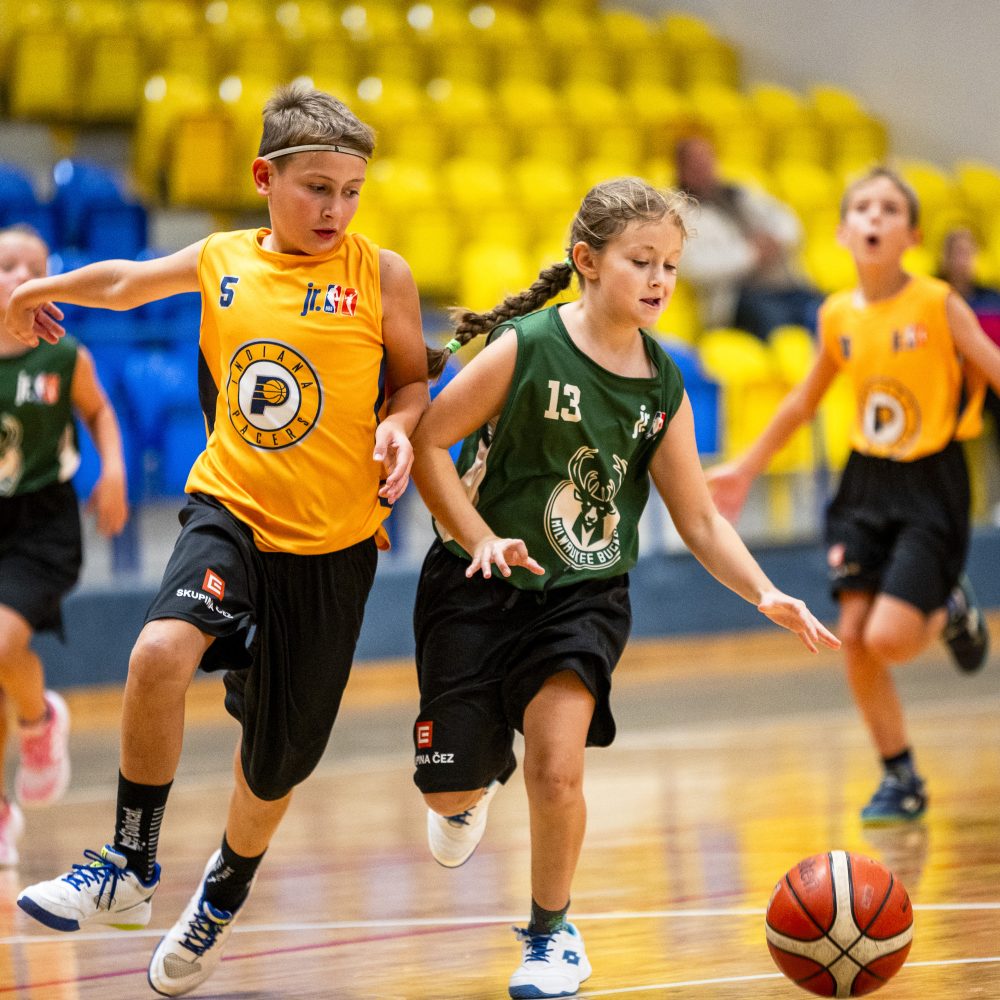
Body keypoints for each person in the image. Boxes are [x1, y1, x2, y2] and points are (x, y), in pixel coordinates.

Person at [5, 85, 428, 997]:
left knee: (274, 766)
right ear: (264, 179)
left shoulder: (381, 274)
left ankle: (222, 894)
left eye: (351, 191)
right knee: (158, 652)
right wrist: (39, 288)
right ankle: (127, 865)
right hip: (229, 508)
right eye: (317, 188)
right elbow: (124, 283)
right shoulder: (222, 258)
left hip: (333, 547)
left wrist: (399, 426)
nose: (336, 209)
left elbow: (410, 385)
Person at [409, 176, 840, 1000]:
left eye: (670, 266)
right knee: (448, 787)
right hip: (476, 582)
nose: (659, 280)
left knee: (558, 770)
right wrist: (480, 536)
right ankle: (473, 780)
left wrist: (764, 592)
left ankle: (550, 935)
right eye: (641, 261)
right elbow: (430, 443)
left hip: (584, 595)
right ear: (587, 261)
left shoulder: (662, 383)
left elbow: (699, 519)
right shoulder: (527, 347)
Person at [708, 167, 1000, 827]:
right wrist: (744, 469)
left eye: (890, 208)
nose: (874, 216)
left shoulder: (937, 304)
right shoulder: (836, 313)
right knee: (855, 638)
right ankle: (900, 776)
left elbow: (992, 365)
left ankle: (949, 604)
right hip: (865, 483)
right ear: (843, 231)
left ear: (912, 235)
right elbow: (802, 401)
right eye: (863, 207)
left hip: (931, 481)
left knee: (889, 638)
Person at [0, 223, 129, 866]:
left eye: (36, 267)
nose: (22, 277)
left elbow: (99, 411)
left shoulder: (63, 355)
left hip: (41, 523)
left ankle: (37, 724)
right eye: (8, 265)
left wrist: (115, 469)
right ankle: (30, 739)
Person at [674, 134, 824, 339]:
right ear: (682, 169)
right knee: (778, 326)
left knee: (827, 312)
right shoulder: (682, 213)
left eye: (708, 158)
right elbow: (694, 267)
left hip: (786, 284)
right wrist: (751, 253)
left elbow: (786, 220)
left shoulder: (740, 193)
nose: (705, 166)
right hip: (740, 296)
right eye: (696, 162)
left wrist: (777, 240)